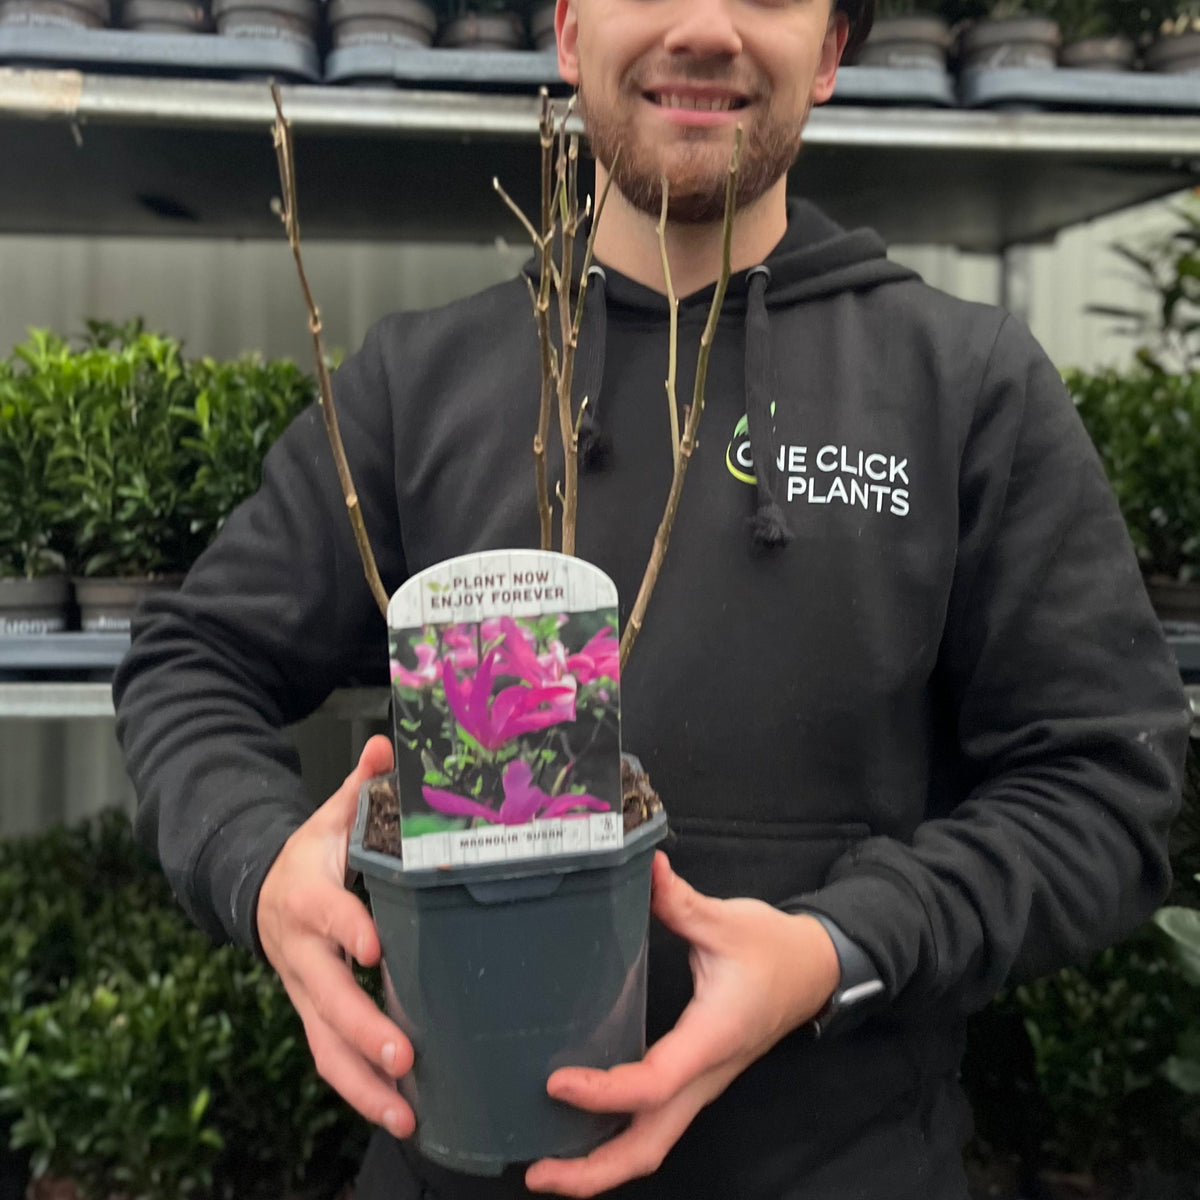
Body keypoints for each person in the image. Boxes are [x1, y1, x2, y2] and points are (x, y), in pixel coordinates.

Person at [113, 0, 1189, 1197]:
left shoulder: (963, 387)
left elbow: (1106, 779)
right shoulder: (418, 386)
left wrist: (839, 949)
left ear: (831, 51)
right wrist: (260, 869)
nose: (706, 26)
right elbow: (193, 660)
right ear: (570, 33)